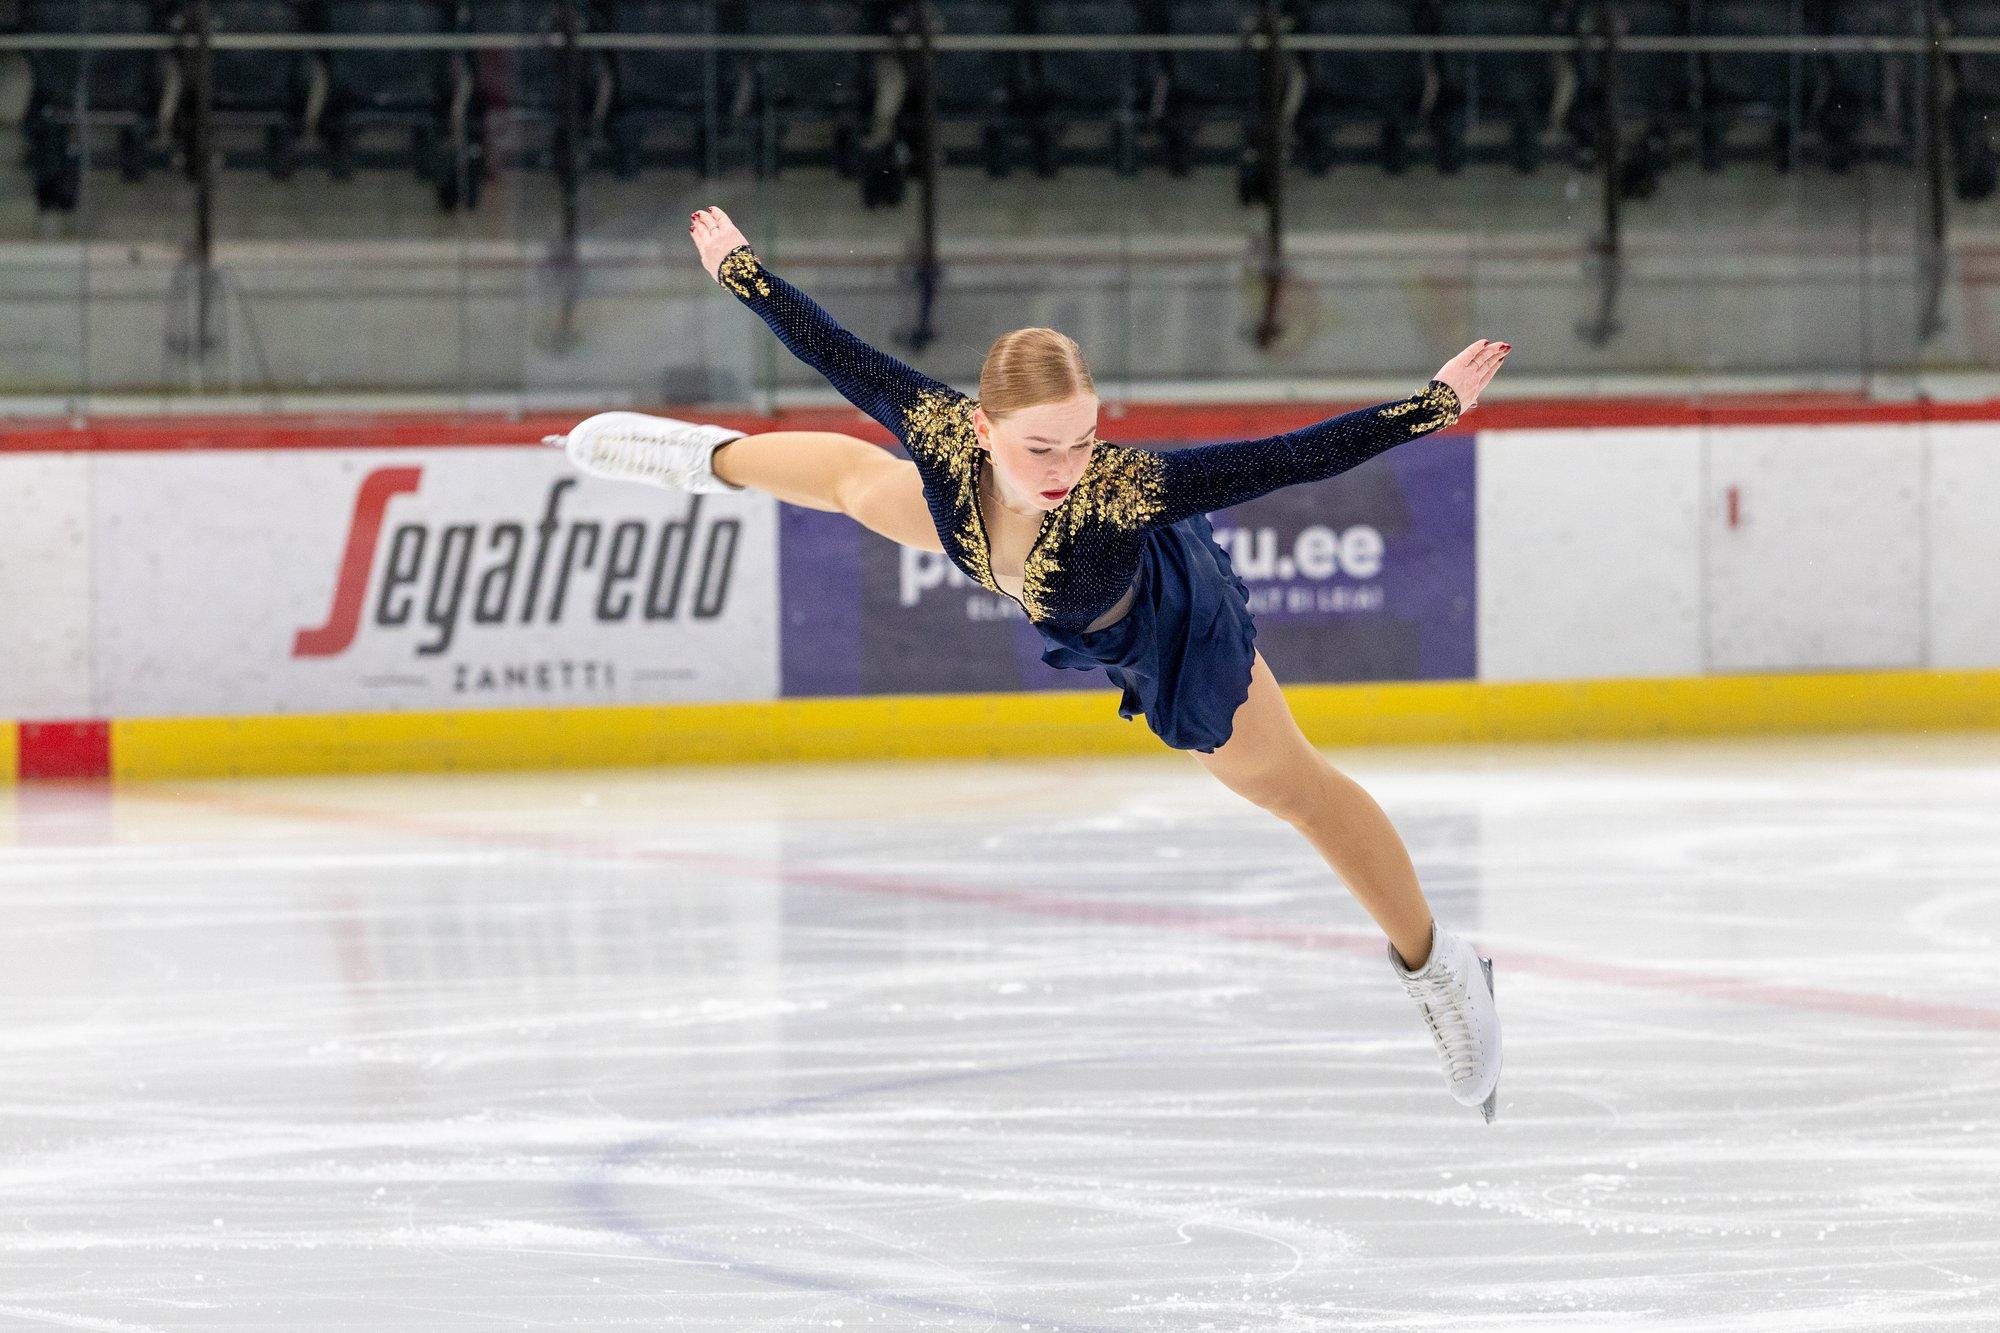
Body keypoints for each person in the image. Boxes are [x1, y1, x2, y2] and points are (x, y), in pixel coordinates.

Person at [547, 206, 1511, 1121]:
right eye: (1041, 447)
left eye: (1082, 441)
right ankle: (699, 456)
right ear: (980, 429)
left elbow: (1289, 457)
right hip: (1006, 556)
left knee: (1291, 788)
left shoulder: (1118, 491)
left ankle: (1443, 969)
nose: (1064, 468)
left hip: (1164, 619)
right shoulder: (938, 430)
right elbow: (831, 348)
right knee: (854, 483)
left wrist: (1431, 406)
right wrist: (739, 270)